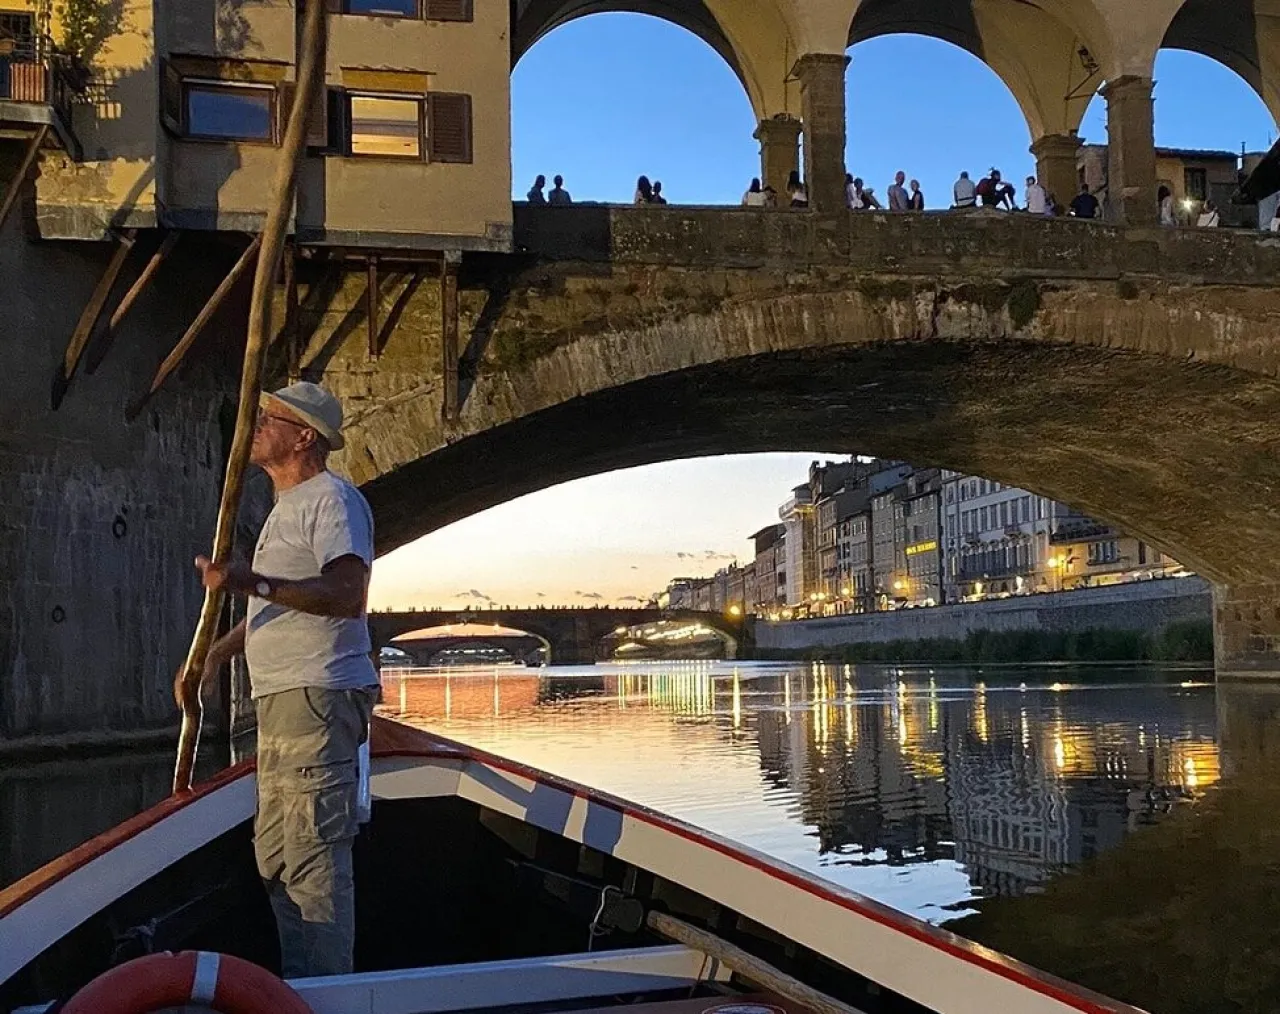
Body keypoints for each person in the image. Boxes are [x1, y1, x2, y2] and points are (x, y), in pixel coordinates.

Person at [180, 381, 379, 978]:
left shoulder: (332, 501)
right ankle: (299, 986)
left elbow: (346, 593)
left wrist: (249, 582)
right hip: (285, 701)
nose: (257, 424)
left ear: (304, 437)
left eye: (271, 417)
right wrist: (215, 655)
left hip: (316, 698)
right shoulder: (285, 509)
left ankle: (326, 996)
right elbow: (283, 606)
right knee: (277, 859)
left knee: (311, 859)